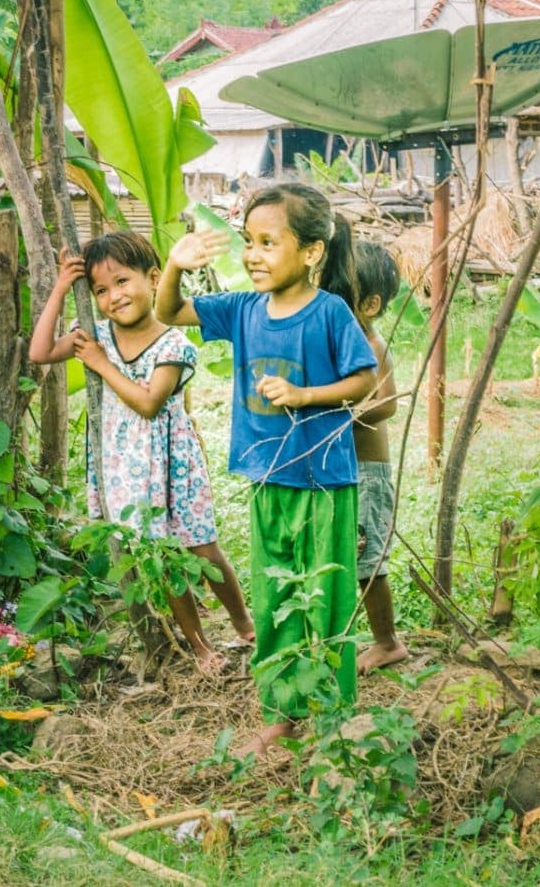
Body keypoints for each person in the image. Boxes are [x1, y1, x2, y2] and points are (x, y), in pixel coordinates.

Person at [155, 183, 378, 757]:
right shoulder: (243, 310)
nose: (252, 254)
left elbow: (364, 380)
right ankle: (280, 712)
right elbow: (167, 312)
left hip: (325, 481)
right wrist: (175, 266)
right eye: (247, 242)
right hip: (266, 477)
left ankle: (333, 715)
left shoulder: (329, 313)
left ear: (311, 252)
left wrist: (305, 396)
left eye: (267, 242)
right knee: (275, 594)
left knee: (327, 594)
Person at [29, 231, 254, 673]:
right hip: (125, 465)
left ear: (153, 279)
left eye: (122, 281)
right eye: (100, 290)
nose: (113, 296)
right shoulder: (95, 335)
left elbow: (149, 403)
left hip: (174, 464)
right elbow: (40, 352)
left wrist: (100, 363)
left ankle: (244, 623)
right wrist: (60, 289)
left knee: (203, 549)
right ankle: (200, 645)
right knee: (164, 557)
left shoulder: (173, 344)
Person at [330, 243, 409, 675]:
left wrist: (340, 414)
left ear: (369, 304)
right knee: (345, 556)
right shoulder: (340, 339)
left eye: (338, 294)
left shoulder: (372, 344)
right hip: (343, 470)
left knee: (367, 562)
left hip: (367, 472)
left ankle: (387, 642)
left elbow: (388, 403)